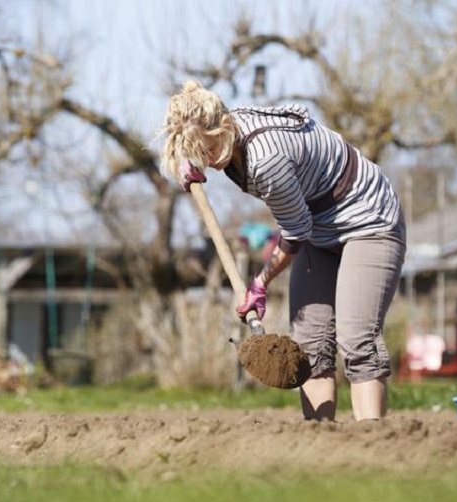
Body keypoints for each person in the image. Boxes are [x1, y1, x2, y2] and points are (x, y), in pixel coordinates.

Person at [161, 80, 406, 421]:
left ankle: (374, 443)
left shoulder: (266, 160)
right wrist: (190, 163)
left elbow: (294, 234)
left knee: (357, 340)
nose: (205, 160)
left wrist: (259, 284)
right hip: (319, 228)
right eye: (196, 152)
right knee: (310, 345)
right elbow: (199, 144)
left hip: (368, 222)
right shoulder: (225, 127)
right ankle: (322, 447)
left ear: (224, 127)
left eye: (207, 151)